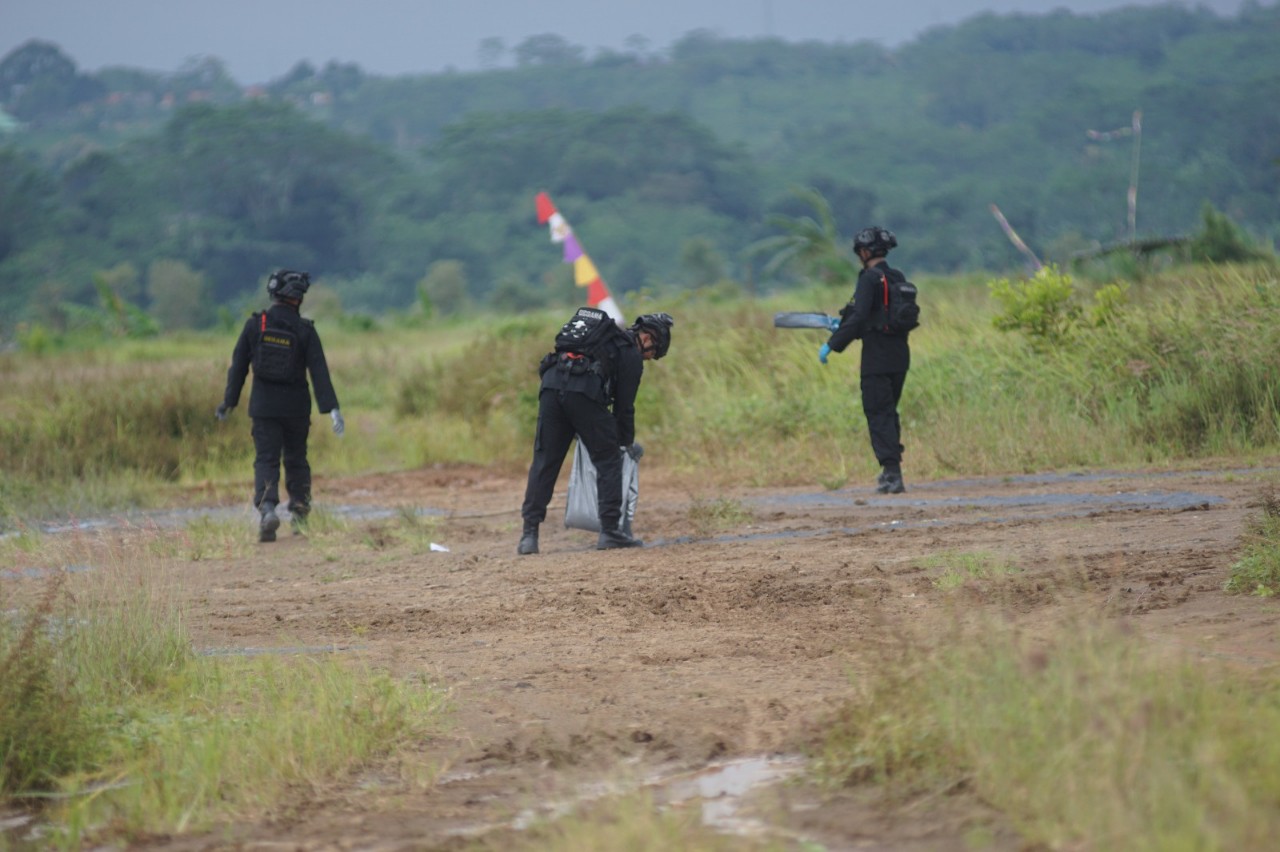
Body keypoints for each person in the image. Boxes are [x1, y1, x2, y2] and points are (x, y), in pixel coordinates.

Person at [518, 311, 674, 555]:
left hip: (551, 385)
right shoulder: (629, 352)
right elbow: (624, 408)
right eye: (652, 353)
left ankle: (529, 535)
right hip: (583, 391)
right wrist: (624, 445)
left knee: (545, 461)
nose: (648, 358)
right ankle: (610, 531)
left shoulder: (602, 341)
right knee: (609, 459)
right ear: (647, 338)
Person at [216, 270, 344, 542]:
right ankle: (300, 513)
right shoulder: (305, 330)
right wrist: (332, 409)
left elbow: (238, 368)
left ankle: (267, 509)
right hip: (297, 409)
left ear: (274, 293)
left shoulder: (255, 325)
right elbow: (319, 372)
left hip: (264, 408)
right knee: (297, 459)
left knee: (266, 459)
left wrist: (229, 402)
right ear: (298, 298)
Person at [821, 227, 911, 494]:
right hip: (900, 356)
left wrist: (832, 344)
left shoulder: (869, 279)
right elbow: (871, 315)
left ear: (863, 252)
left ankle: (892, 474)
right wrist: (844, 324)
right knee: (888, 412)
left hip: (876, 358)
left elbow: (860, 317)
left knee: (878, 413)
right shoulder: (897, 277)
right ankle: (892, 469)